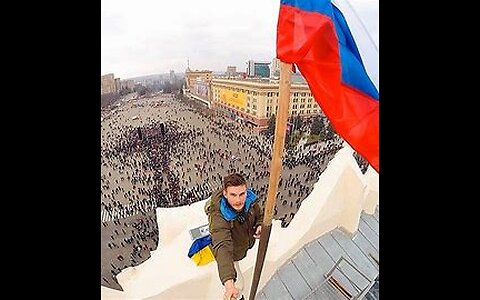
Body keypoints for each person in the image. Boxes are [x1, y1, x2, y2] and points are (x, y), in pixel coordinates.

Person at [206, 173, 263, 300]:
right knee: (239, 285)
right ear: (225, 194)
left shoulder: (250, 201)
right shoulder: (219, 217)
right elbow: (222, 246)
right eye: (233, 195)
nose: (238, 200)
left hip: (243, 245)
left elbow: (259, 215)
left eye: (242, 194)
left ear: (246, 192)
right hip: (232, 252)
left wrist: (259, 225)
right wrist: (229, 284)